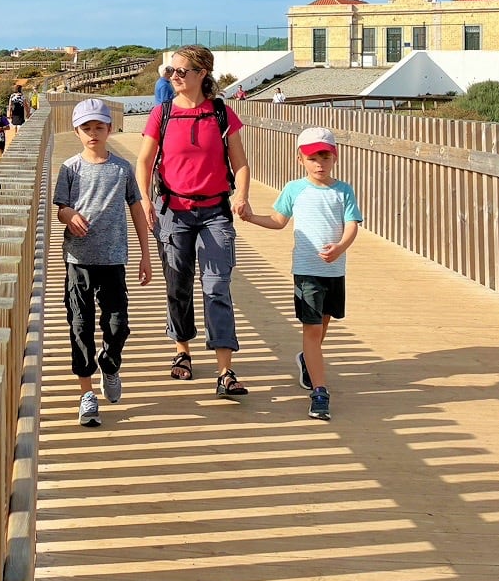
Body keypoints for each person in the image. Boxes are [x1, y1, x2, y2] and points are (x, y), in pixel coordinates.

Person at [135, 43, 253, 400]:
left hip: (215, 211)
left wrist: (243, 196)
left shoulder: (220, 113)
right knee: (178, 284)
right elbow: (143, 162)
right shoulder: (163, 112)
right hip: (173, 211)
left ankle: (225, 370)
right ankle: (182, 351)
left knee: (217, 286)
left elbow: (241, 164)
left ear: (202, 74)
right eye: (171, 71)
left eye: (181, 71)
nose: (174, 77)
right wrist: (145, 200)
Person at [240, 127, 361, 421]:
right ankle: (320, 391)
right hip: (306, 270)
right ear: (300, 159)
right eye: (312, 157)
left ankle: (308, 359)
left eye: (325, 156)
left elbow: (352, 224)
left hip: (334, 269)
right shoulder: (295, 189)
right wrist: (250, 216)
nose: (319, 163)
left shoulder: (343, 190)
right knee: (312, 328)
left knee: (324, 321)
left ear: (335, 157)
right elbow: (279, 220)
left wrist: (341, 247)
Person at [54, 98, 153, 427]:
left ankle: (110, 365)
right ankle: (86, 393)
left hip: (113, 260)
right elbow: (60, 209)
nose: (93, 133)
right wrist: (68, 215)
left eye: (99, 126)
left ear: (110, 129)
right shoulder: (70, 168)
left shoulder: (122, 169)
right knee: (79, 326)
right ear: (77, 131)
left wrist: (145, 254)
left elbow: (137, 209)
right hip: (77, 260)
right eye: (87, 128)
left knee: (117, 325)